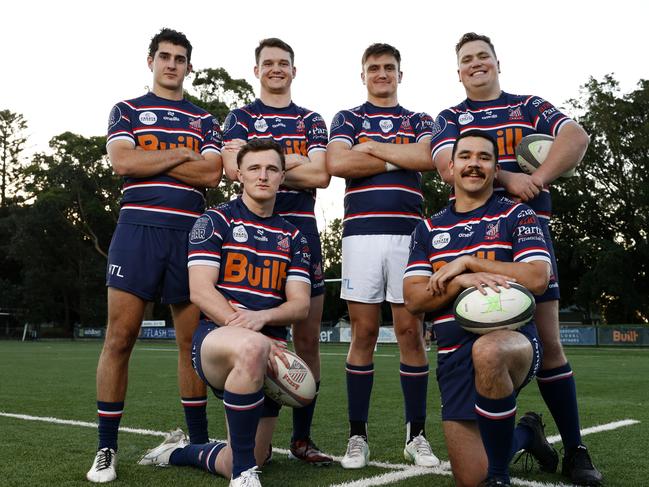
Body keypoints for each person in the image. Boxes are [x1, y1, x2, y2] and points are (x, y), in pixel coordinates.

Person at [430, 32, 601, 486]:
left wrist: (538, 179)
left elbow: (576, 137)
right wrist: (507, 174)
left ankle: (576, 448)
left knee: (549, 346)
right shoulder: (451, 116)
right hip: (469, 238)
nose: (476, 63)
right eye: (467, 59)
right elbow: (449, 166)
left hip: (525, 234)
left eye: (482, 56)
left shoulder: (528, 106)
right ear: (459, 70)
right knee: (475, 344)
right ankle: (517, 432)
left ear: (497, 62)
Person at [86, 28, 223, 483]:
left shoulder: (204, 119)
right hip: (137, 231)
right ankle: (107, 448)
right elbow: (122, 163)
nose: (171, 64)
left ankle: (198, 440)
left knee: (191, 344)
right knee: (119, 337)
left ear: (188, 66)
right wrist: (182, 152)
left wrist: (157, 154)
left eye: (180, 58)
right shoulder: (126, 109)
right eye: (164, 56)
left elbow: (211, 174)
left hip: (189, 234)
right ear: (151, 61)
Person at [139, 139, 312, 487]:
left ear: (282, 178)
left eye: (271, 169)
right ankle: (244, 478)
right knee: (252, 348)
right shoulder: (215, 221)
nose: (262, 176)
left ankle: (178, 452)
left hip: (270, 349)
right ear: (240, 176)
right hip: (216, 341)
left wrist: (262, 320)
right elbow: (201, 290)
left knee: (248, 455)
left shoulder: (295, 237)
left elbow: (300, 305)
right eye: (254, 168)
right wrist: (250, 332)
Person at [404, 131, 560, 487]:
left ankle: (501, 480)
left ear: (494, 168)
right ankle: (527, 436)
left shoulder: (517, 215)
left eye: (485, 157)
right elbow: (414, 299)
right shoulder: (428, 229)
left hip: (513, 343)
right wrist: (455, 282)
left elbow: (538, 277)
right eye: (466, 156)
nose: (474, 164)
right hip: (452, 354)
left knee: (487, 351)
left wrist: (470, 263)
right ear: (452, 165)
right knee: (471, 478)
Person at [326, 43, 439, 468]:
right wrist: (398, 155)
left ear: (399, 74)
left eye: (389, 67)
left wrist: (373, 150)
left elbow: (427, 156)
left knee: (410, 333)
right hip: (361, 237)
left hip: (410, 237)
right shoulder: (348, 118)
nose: (381, 73)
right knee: (365, 334)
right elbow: (338, 162)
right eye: (373, 68)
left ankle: (417, 435)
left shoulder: (419, 119)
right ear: (363, 75)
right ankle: (358, 436)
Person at [220, 38, 332, 466]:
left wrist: (265, 166)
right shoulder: (239, 116)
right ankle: (248, 437)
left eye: (283, 63)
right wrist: (294, 165)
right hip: (248, 238)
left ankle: (302, 439)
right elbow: (232, 169)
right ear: (257, 71)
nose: (276, 69)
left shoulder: (311, 118)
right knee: (248, 331)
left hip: (301, 232)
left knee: (306, 338)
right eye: (268, 63)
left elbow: (321, 174)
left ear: (294, 70)